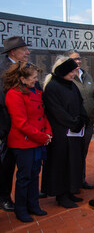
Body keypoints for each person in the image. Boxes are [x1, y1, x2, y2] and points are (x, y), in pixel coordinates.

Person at [3, 62, 52, 222]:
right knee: (24, 177)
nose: (36, 80)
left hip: (37, 141)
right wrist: (41, 136)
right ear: (22, 79)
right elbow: (21, 123)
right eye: (34, 78)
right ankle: (21, 209)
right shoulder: (14, 94)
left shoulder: (36, 92)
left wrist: (48, 133)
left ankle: (33, 205)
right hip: (23, 143)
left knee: (34, 174)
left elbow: (43, 115)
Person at [41, 57, 88, 208]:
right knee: (60, 163)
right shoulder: (52, 87)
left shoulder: (71, 85)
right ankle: (61, 195)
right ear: (63, 72)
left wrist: (82, 119)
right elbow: (56, 111)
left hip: (74, 132)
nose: (74, 74)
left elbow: (80, 103)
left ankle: (69, 191)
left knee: (72, 162)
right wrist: (73, 123)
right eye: (71, 72)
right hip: (61, 133)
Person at [0, 36, 31, 212]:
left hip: (25, 124)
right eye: (24, 50)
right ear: (13, 52)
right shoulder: (2, 70)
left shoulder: (26, 68)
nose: (27, 53)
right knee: (7, 165)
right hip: (8, 125)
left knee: (25, 165)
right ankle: (4, 197)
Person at [65, 50, 94, 190]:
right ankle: (71, 183)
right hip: (74, 125)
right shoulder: (67, 78)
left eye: (78, 59)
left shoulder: (87, 75)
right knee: (73, 154)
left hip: (88, 122)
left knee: (83, 153)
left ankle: (81, 179)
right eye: (74, 59)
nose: (77, 61)